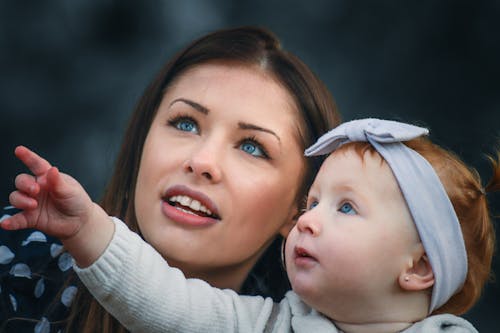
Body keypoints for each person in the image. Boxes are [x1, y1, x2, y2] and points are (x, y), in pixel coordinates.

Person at [3, 118, 497, 332]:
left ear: (418, 267)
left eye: (345, 208)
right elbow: (165, 301)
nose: (306, 223)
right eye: (311, 204)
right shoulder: (267, 323)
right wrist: (88, 227)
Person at [0, 26, 340, 332]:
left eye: (252, 147)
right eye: (186, 123)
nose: (202, 162)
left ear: (302, 209)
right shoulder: (16, 265)